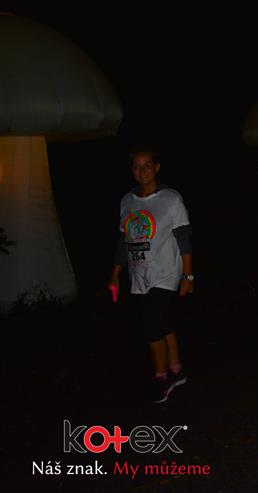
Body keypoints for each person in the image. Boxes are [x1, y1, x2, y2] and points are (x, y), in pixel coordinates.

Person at [108, 147, 194, 403]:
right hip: (140, 273)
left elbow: (184, 241)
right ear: (131, 170)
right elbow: (123, 242)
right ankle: (177, 370)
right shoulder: (127, 201)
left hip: (166, 272)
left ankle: (161, 377)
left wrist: (188, 277)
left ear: (156, 167)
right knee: (163, 322)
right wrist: (115, 273)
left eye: (147, 165)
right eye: (137, 166)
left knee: (151, 326)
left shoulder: (171, 199)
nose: (142, 170)